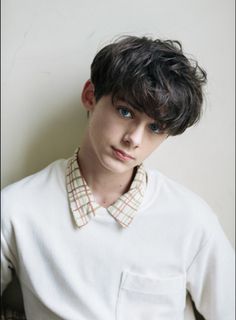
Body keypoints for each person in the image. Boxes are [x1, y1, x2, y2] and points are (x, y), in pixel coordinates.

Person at [1, 35, 234, 320]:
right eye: (125, 112)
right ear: (90, 96)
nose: (134, 139)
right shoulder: (17, 209)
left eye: (155, 128)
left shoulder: (192, 222)